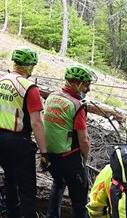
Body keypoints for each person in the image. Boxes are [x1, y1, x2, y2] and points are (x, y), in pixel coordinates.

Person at [0, 46, 47, 218]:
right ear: (30, 66)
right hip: (17, 140)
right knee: (27, 187)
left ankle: (11, 214)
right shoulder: (28, 87)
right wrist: (44, 152)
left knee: (10, 177)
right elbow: (37, 122)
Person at [44, 64, 96, 218]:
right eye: (86, 85)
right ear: (74, 83)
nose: (88, 89)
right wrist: (84, 158)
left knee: (58, 185)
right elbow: (84, 139)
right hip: (70, 157)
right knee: (80, 200)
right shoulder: (77, 105)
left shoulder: (51, 96)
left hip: (50, 155)